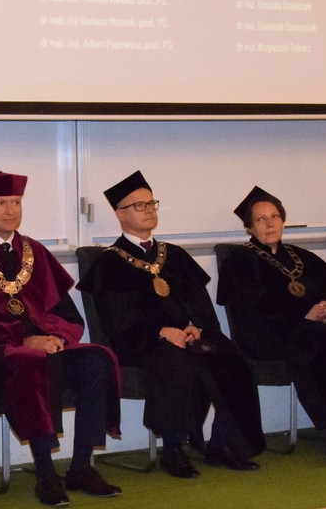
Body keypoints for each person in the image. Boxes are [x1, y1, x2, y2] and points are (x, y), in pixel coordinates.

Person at [0, 171, 122, 507]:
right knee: (29, 361)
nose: (10, 210)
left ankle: (80, 467)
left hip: (41, 349)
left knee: (97, 359)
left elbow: (68, 314)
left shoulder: (35, 251)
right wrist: (22, 342)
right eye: (1, 203)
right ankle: (46, 474)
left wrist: (54, 337)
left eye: (16, 203)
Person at [77, 171, 266, 477]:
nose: (149, 210)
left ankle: (223, 443)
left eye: (151, 203)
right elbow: (116, 320)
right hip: (140, 343)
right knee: (178, 363)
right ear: (120, 214)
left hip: (186, 336)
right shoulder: (109, 263)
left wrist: (196, 327)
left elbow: (200, 305)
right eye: (139, 205)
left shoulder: (174, 255)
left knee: (232, 357)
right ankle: (173, 448)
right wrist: (160, 332)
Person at [217, 187, 326, 438]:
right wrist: (304, 317)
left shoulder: (301, 256)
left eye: (275, 217)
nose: (270, 224)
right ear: (250, 228)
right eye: (261, 219)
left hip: (312, 326)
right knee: (318, 340)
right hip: (265, 334)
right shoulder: (238, 260)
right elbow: (251, 307)